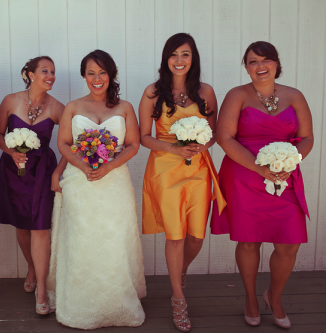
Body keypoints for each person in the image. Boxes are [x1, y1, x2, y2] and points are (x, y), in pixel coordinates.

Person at [211, 41, 313, 329]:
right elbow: (225, 138)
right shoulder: (237, 95)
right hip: (244, 176)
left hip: (284, 176)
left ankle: (274, 296)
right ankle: (251, 299)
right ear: (246, 67)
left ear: (277, 64)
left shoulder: (295, 96)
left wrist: (288, 162)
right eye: (253, 61)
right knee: (249, 240)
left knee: (289, 243)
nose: (260, 66)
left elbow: (307, 138)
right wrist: (261, 168)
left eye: (266, 60)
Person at [47, 49, 146, 329]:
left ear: (111, 74)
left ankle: (118, 301)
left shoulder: (124, 107)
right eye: (91, 73)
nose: (97, 78)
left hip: (114, 183)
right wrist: (82, 164)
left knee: (114, 240)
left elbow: (134, 145)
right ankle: (80, 303)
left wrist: (108, 166)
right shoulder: (73, 106)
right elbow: (64, 143)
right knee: (82, 239)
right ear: (84, 76)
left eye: (102, 72)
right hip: (80, 182)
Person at [139, 33, 225, 332]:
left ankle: (181, 270)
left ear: (193, 58)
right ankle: (178, 298)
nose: (179, 60)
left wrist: (202, 145)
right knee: (174, 236)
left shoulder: (206, 91)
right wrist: (173, 148)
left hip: (199, 169)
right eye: (173, 54)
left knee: (197, 236)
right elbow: (143, 137)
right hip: (165, 168)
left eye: (185, 54)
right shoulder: (152, 92)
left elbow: (214, 133)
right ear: (166, 58)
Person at [0, 56, 66, 314]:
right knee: (23, 228)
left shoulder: (58, 108)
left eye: (53, 72)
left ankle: (43, 289)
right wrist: (11, 152)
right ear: (30, 74)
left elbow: (69, 144)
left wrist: (58, 172)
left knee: (41, 228)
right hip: (13, 170)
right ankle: (33, 266)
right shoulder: (11, 101)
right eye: (45, 70)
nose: (51, 75)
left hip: (43, 172)